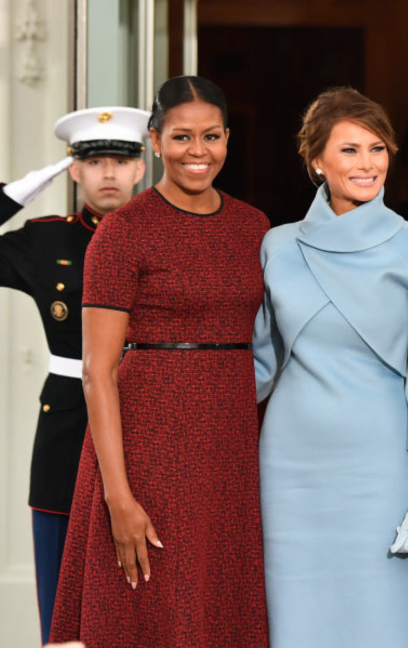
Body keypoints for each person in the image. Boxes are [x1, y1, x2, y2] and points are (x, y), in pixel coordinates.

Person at [49, 76, 269, 647]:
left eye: (212, 136)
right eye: (182, 137)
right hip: (150, 442)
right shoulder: (123, 233)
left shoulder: (255, 227)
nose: (199, 151)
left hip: (230, 443)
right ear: (154, 140)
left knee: (221, 603)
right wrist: (118, 498)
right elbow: (97, 372)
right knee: (150, 605)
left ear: (228, 139)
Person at [252, 87, 408, 648]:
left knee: (378, 624)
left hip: (379, 468)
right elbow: (257, 367)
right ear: (316, 160)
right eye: (349, 150)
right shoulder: (277, 247)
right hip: (290, 468)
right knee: (296, 626)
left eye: (377, 148)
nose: (367, 164)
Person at [0, 106, 147, 644]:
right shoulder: (46, 242)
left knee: (148, 589)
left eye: (120, 161)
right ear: (73, 170)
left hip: (149, 412)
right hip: (68, 420)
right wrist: (18, 192)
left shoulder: (165, 237)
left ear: (140, 168)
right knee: (63, 593)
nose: (108, 173)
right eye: (93, 161)